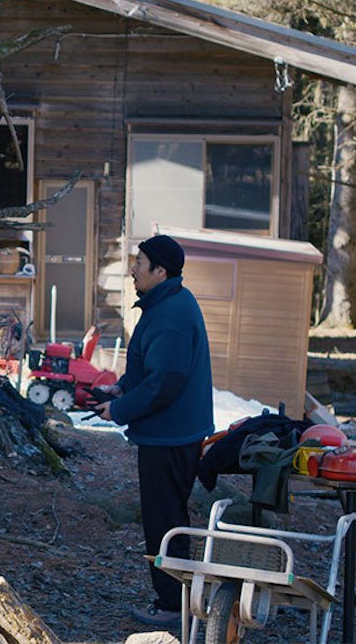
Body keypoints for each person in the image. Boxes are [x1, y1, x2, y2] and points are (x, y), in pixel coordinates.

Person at [94, 234, 214, 628]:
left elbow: (166, 381)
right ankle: (176, 601)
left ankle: (172, 607)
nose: (133, 269)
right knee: (165, 518)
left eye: (140, 262)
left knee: (166, 522)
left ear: (160, 270)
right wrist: (123, 388)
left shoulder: (173, 313)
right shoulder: (163, 304)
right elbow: (148, 367)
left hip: (173, 436)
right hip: (168, 433)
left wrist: (120, 409)